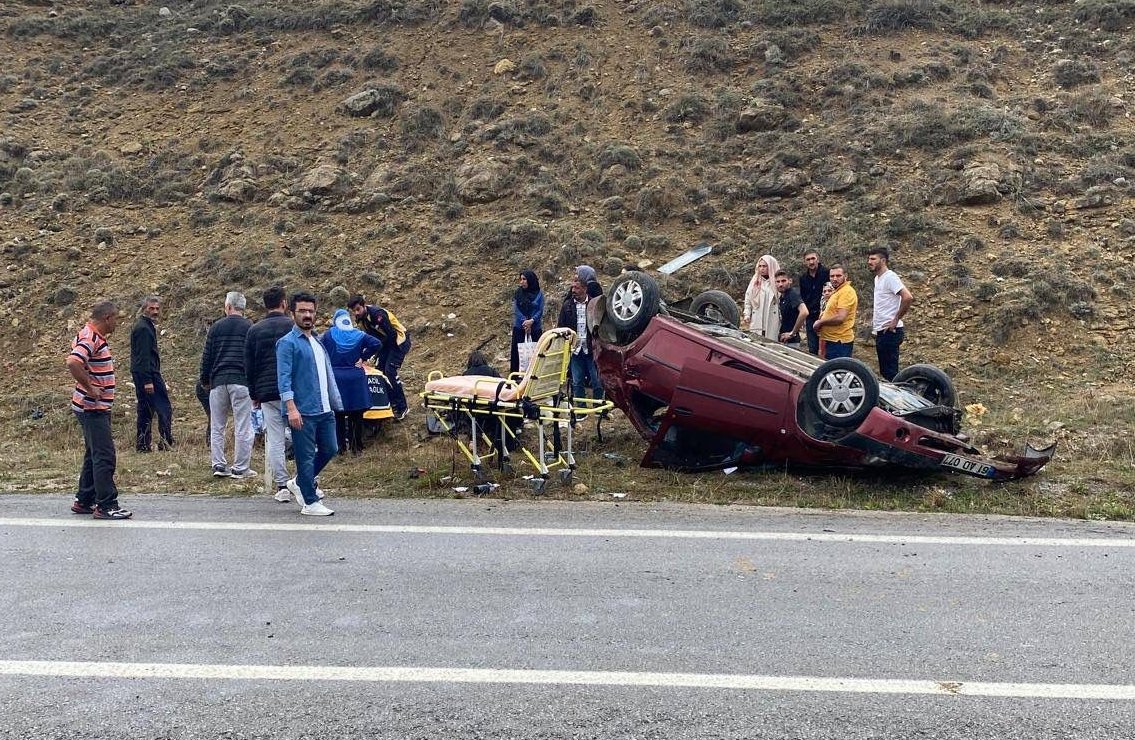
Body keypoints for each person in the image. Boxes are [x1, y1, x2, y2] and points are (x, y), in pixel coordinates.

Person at [277, 291, 342, 516]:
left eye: (311, 311)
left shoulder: (317, 340)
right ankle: (310, 502)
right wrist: (291, 408)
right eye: (302, 311)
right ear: (292, 312)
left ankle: (298, 482)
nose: (307, 315)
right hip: (303, 410)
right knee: (304, 457)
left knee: (331, 448)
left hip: (324, 408)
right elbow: (283, 378)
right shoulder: (286, 343)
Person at [66, 300, 132, 520]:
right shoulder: (90, 337)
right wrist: (91, 387)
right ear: (107, 318)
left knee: (93, 453)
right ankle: (106, 505)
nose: (117, 324)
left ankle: (84, 499)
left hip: (93, 406)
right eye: (116, 319)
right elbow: (74, 362)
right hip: (92, 407)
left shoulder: (91, 335)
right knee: (104, 456)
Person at [245, 285, 296, 502]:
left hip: (266, 393)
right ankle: (302, 481)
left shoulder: (254, 330)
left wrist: (254, 393)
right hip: (292, 392)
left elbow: (249, 365)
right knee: (301, 437)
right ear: (284, 303)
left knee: (275, 440)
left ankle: (282, 485)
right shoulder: (293, 326)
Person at [200, 291, 255, 479]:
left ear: (228, 307)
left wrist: (205, 379)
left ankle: (218, 465)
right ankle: (240, 467)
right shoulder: (250, 327)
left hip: (218, 381)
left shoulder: (216, 327)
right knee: (243, 425)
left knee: (217, 425)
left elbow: (207, 355)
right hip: (241, 381)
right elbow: (253, 358)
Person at [321, 308, 382, 455]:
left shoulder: (328, 335)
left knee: (338, 415)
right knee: (356, 415)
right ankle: (357, 447)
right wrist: (363, 357)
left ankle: (340, 448)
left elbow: (318, 346)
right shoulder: (359, 334)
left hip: (336, 378)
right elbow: (377, 343)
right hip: (356, 378)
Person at [347, 295, 412, 421]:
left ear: (364, 305)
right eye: (353, 311)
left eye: (358, 309)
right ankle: (392, 402)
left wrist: (374, 351)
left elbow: (391, 335)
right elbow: (368, 337)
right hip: (385, 343)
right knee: (379, 372)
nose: (356, 313)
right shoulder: (361, 319)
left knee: (390, 371)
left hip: (398, 341)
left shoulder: (377, 314)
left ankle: (402, 407)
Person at [129, 294, 173, 452]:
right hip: (148, 374)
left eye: (157, 308)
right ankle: (165, 443)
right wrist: (148, 380)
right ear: (144, 309)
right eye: (151, 308)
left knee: (146, 409)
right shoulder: (143, 328)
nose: (155, 311)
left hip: (144, 373)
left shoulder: (144, 326)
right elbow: (144, 356)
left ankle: (143, 445)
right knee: (164, 408)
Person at [557, 265, 604, 402]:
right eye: (572, 288)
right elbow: (561, 327)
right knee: (577, 381)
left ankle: (599, 408)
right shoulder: (567, 306)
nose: (573, 291)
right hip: (575, 350)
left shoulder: (594, 304)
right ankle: (580, 410)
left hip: (591, 349)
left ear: (585, 288)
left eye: (576, 288)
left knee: (597, 381)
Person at [868, 246, 914, 381]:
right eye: (869, 259)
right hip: (882, 331)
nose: (869, 262)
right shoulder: (877, 278)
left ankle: (900, 400)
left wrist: (895, 319)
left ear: (883, 260)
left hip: (890, 331)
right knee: (885, 372)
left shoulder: (890, 277)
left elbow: (908, 297)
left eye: (873, 259)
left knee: (890, 373)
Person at [812, 265, 858, 359]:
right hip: (831, 340)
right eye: (832, 276)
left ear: (846, 276)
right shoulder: (837, 291)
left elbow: (840, 317)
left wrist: (820, 322)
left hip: (839, 342)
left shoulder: (846, 292)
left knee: (837, 372)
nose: (835, 279)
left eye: (838, 276)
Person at [510, 269, 544, 375]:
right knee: (519, 355)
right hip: (520, 328)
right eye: (520, 279)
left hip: (535, 329)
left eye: (524, 279)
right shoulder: (518, 293)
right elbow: (516, 309)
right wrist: (525, 322)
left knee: (535, 354)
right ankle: (517, 378)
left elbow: (540, 309)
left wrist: (532, 321)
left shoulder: (538, 294)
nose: (522, 282)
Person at [798, 250, 831, 355]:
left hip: (826, 316)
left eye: (813, 258)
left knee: (826, 348)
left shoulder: (827, 273)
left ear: (818, 259)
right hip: (810, 317)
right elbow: (803, 297)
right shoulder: (803, 278)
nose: (811, 262)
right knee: (812, 348)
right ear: (804, 262)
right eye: (808, 259)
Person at [742, 254, 781, 340]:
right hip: (757, 319)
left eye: (764, 266)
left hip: (772, 320)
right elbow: (748, 299)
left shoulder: (778, 281)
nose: (762, 268)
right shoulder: (755, 281)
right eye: (760, 266)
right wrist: (747, 314)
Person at [774, 270, 809, 350]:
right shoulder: (782, 297)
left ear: (790, 281)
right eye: (778, 282)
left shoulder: (792, 294)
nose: (780, 284)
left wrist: (792, 333)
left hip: (792, 341)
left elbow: (804, 312)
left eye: (783, 281)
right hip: (783, 339)